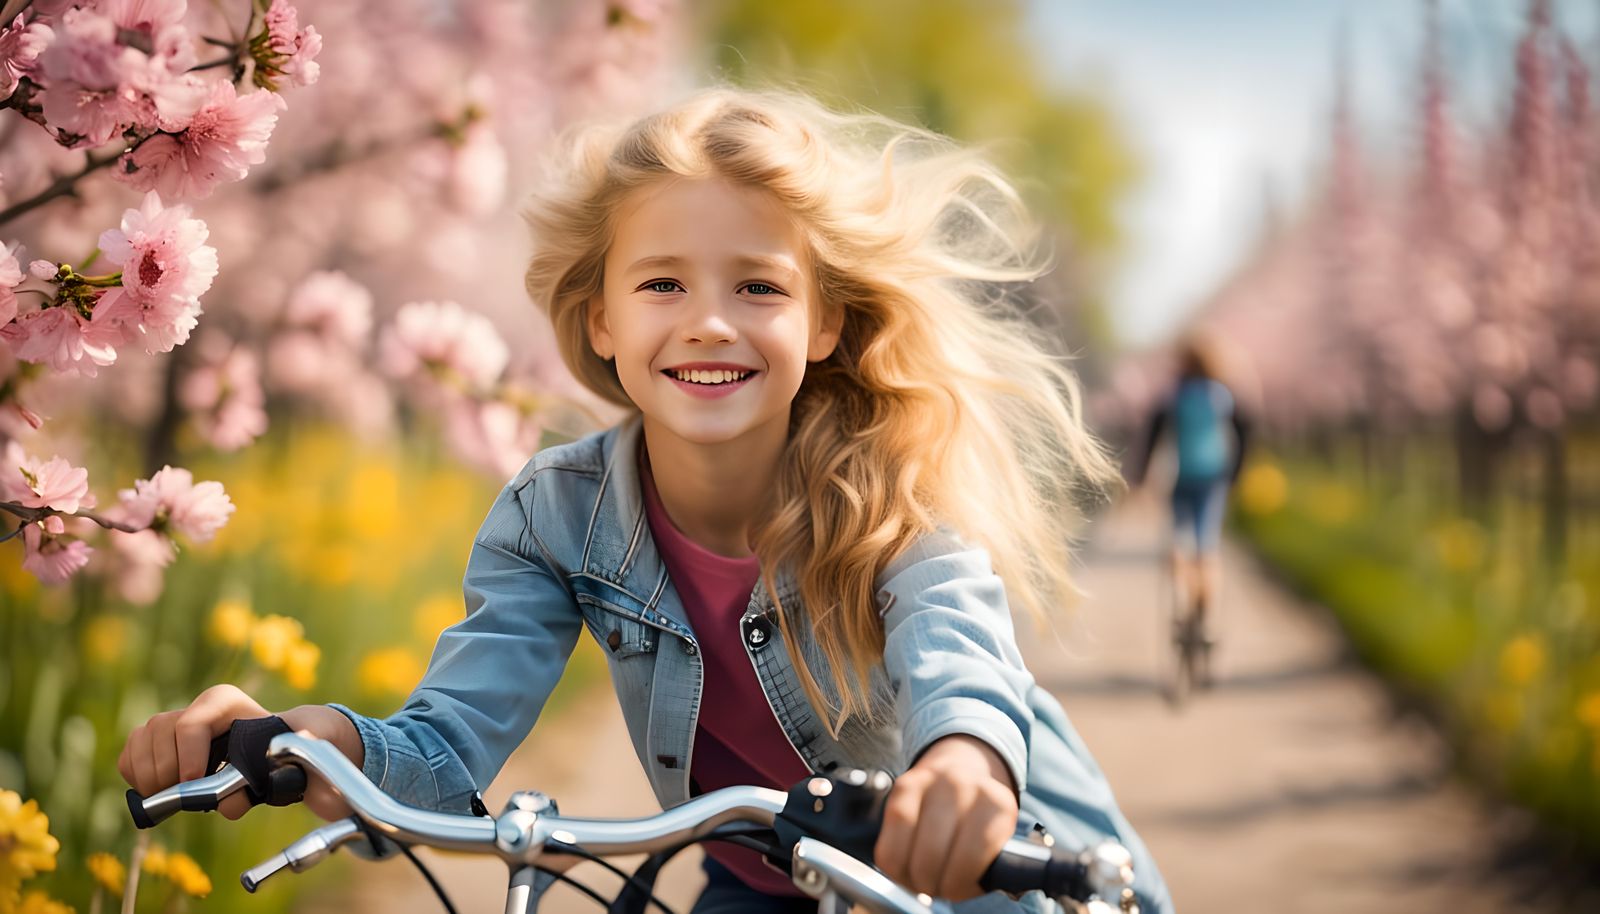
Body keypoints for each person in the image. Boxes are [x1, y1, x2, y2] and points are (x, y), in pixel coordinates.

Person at [118, 86, 1173, 914]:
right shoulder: (554, 517)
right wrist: (308, 744)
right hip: (763, 883)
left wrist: (962, 762)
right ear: (602, 318)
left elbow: (960, 647)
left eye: (757, 286)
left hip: (985, 871)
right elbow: (442, 748)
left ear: (825, 324)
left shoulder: (887, 486)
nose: (710, 321)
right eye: (663, 283)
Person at [1128, 334, 1250, 647]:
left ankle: (1182, 600)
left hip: (1182, 477)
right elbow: (1245, 432)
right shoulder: (1223, 395)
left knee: (1179, 543)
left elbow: (1152, 437)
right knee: (1206, 548)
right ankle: (1207, 622)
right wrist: (1236, 475)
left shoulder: (1173, 396)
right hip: (1214, 479)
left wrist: (1139, 478)